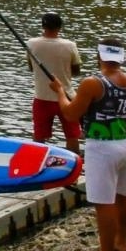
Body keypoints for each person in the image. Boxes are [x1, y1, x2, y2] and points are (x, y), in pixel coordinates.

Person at [53, 37, 126, 251]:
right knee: (122, 196)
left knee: (103, 201)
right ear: (121, 58)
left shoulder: (93, 83)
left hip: (102, 148)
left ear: (99, 56)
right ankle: (121, 243)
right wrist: (125, 135)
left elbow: (71, 115)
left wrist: (60, 93)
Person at [27, 11, 83, 155]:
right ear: (60, 27)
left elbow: (31, 67)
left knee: (39, 136)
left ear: (42, 26)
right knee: (72, 135)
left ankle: (36, 164)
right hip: (66, 97)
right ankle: (75, 170)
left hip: (41, 97)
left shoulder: (31, 44)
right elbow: (76, 71)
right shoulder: (70, 45)